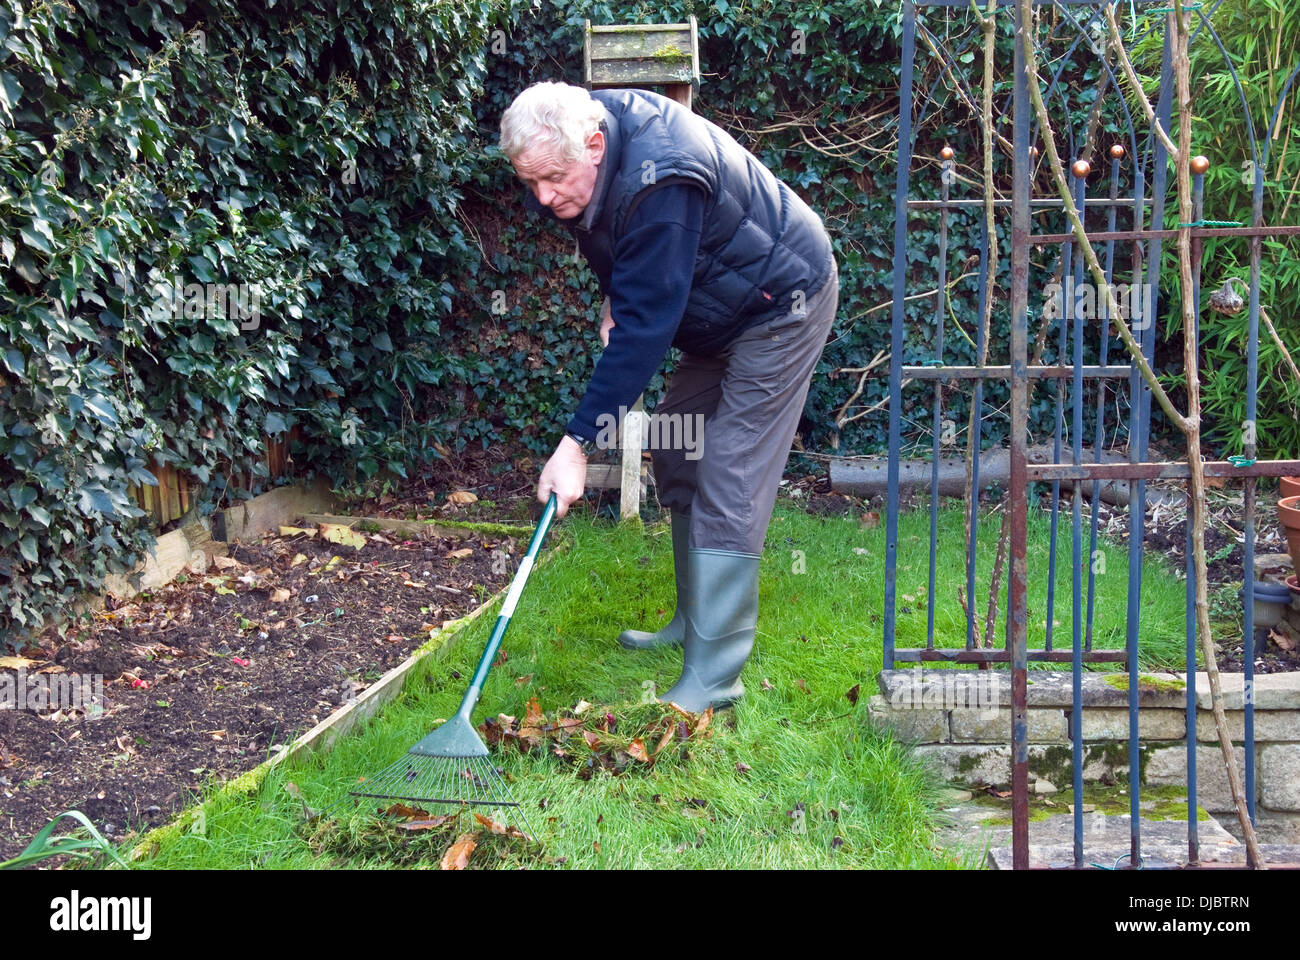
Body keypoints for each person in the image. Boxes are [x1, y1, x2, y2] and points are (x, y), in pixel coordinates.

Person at [498, 81, 837, 712]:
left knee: (730, 467)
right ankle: (693, 619)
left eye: (551, 178)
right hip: (715, 310)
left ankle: (715, 676)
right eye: (529, 182)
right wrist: (613, 298)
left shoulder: (664, 177)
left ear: (594, 145)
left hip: (783, 301)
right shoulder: (589, 135)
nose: (542, 198)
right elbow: (632, 260)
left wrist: (576, 446)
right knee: (679, 442)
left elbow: (646, 330)